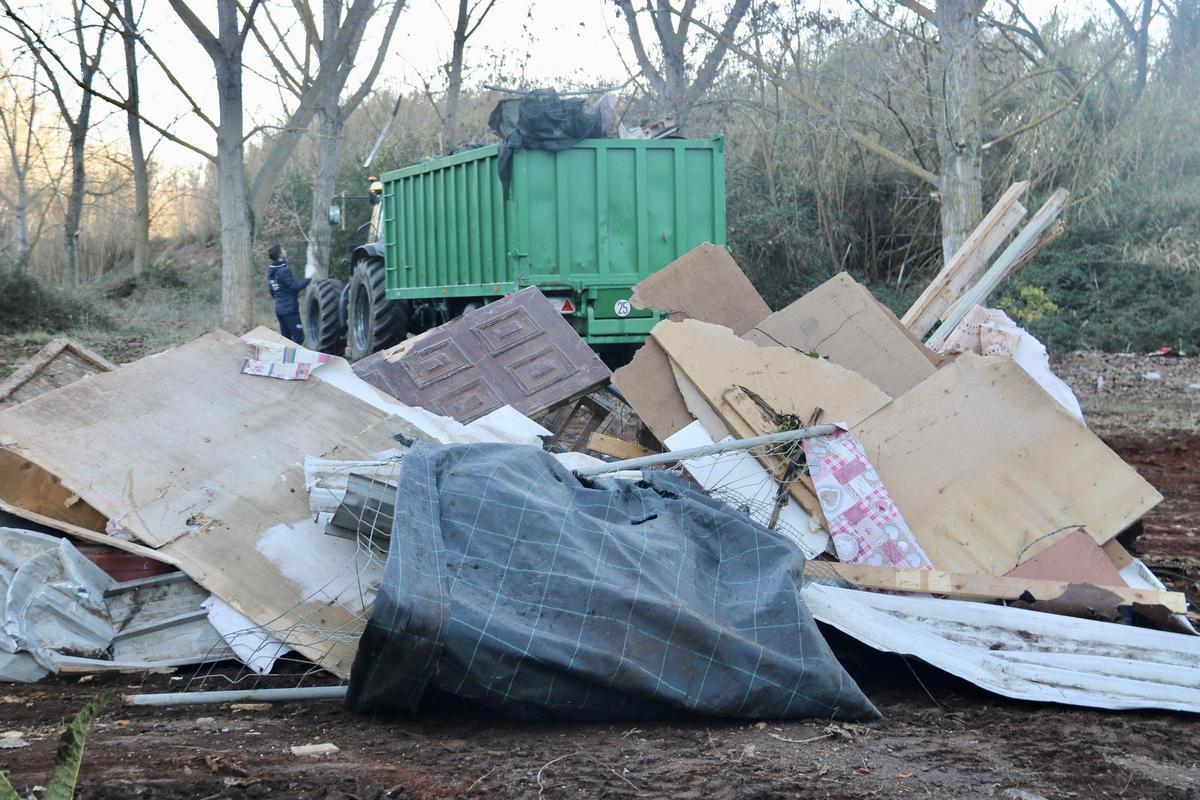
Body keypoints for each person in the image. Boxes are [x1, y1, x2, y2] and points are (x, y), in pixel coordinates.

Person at [266, 244, 310, 344]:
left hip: (279, 309)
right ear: (280, 255)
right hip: (290, 311)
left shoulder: (271, 271)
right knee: (299, 338)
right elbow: (294, 287)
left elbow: (272, 290)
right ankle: (294, 358)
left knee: (286, 340)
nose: (285, 251)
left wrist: (280, 300)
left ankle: (287, 359)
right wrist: (308, 277)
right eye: (283, 250)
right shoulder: (283, 271)